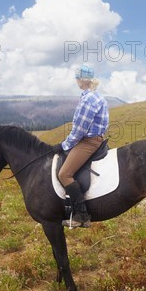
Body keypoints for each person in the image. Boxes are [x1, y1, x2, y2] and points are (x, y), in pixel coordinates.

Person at [58, 64, 109, 227]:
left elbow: (80, 129)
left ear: (81, 80)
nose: (76, 81)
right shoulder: (97, 96)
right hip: (94, 138)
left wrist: (64, 145)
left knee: (64, 174)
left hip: (88, 141)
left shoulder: (88, 99)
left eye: (76, 78)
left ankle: (82, 215)